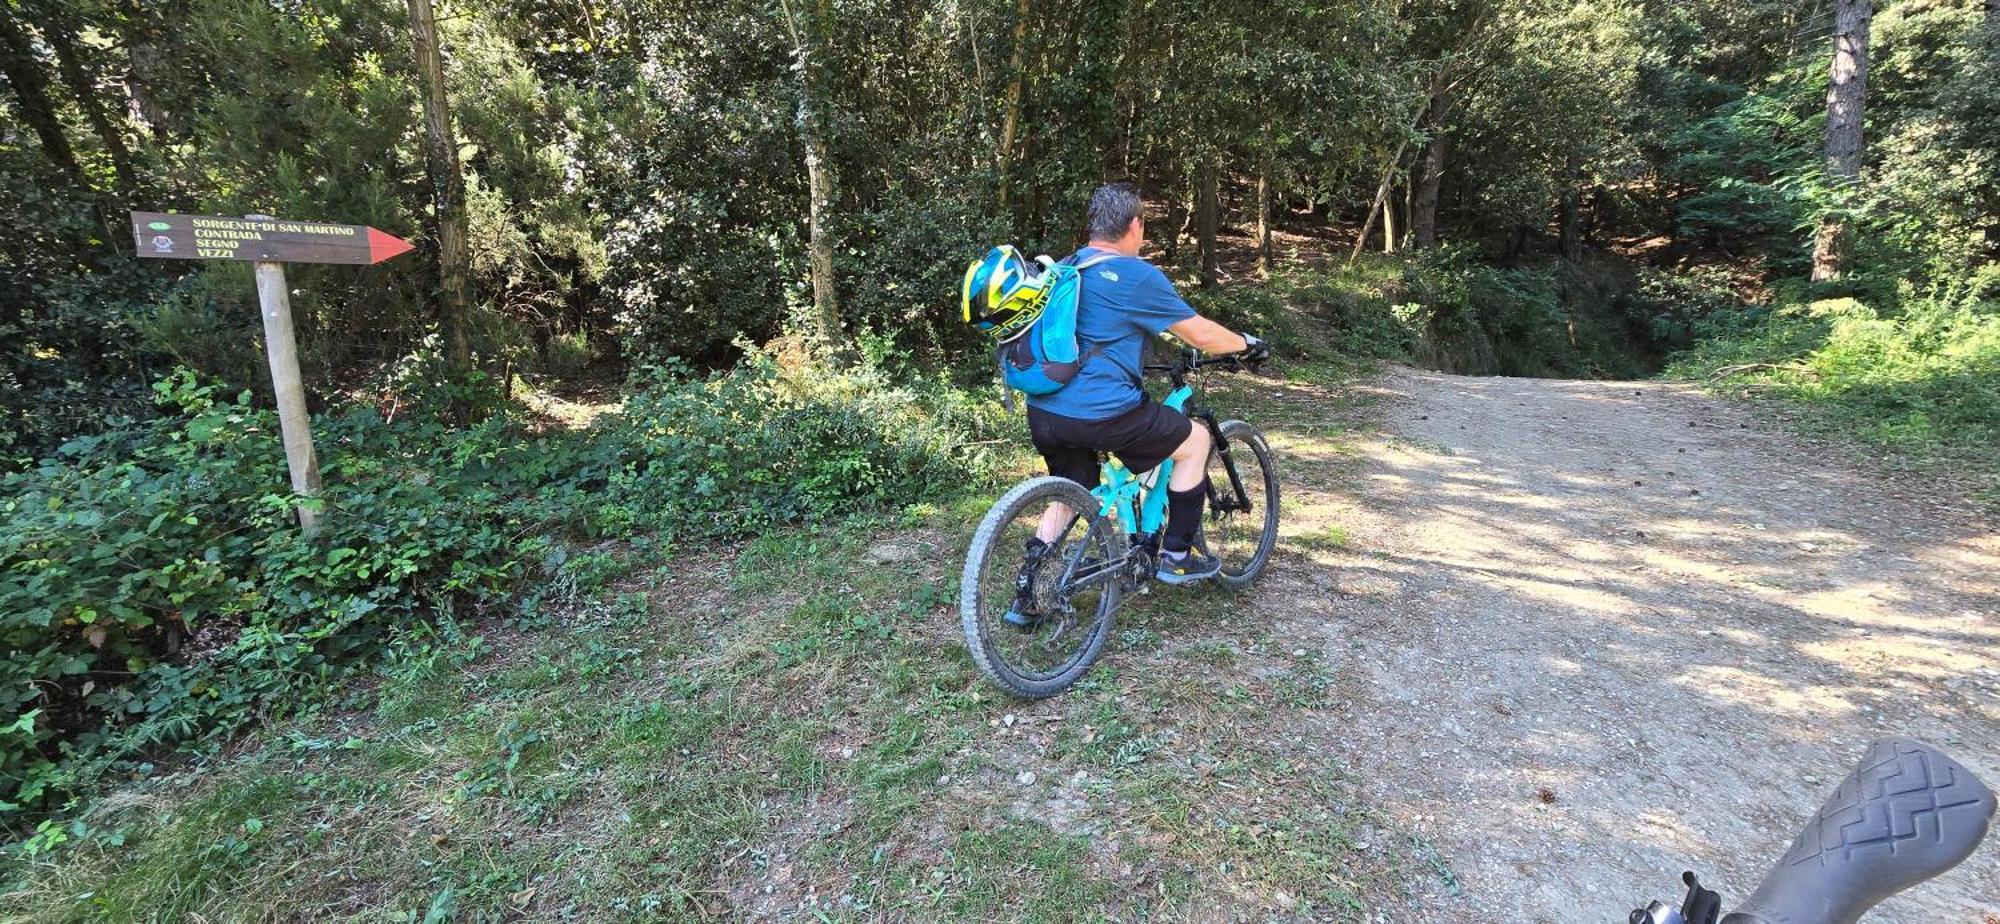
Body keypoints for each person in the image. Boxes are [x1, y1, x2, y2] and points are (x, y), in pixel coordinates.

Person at [1025, 181, 1266, 585]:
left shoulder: (1065, 267)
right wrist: (1246, 343)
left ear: (1094, 226)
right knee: (1196, 442)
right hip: (1100, 412)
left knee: (1072, 490)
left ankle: (1030, 587)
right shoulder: (1135, 275)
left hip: (1045, 409)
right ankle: (1175, 557)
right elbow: (1202, 336)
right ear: (1135, 225)